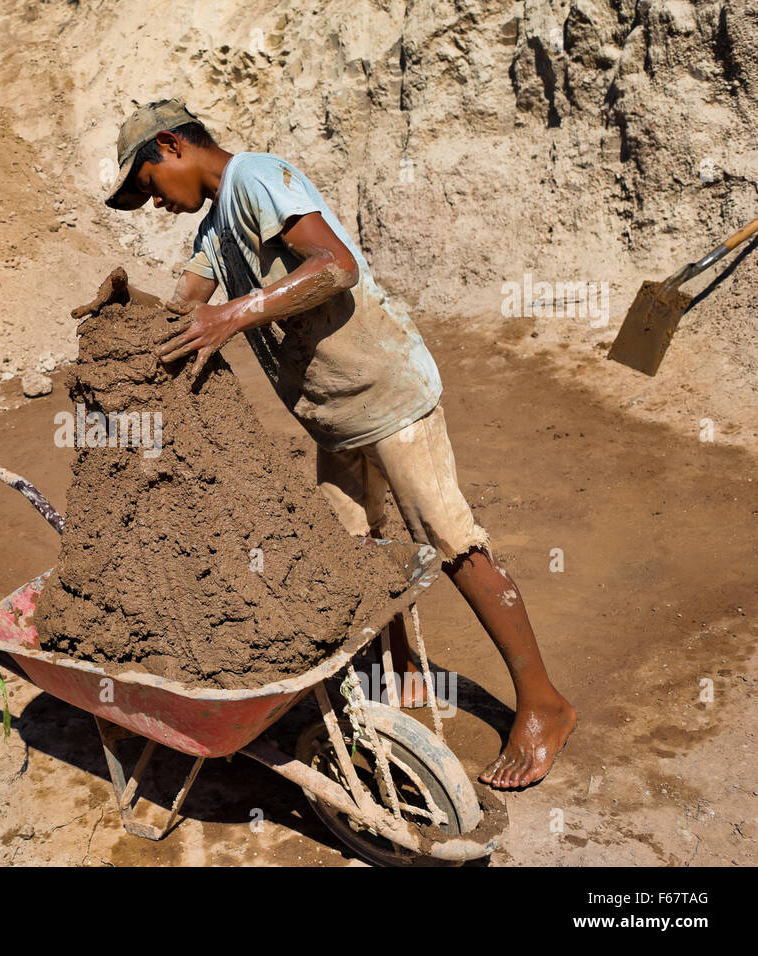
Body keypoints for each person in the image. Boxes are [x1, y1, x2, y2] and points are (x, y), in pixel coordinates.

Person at [101, 99, 576, 790]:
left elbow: (336, 265)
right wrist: (123, 311)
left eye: (147, 184)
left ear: (170, 146)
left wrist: (233, 315)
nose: (152, 203)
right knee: (357, 550)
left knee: (451, 541)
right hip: (332, 415)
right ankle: (403, 667)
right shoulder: (214, 229)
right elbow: (184, 308)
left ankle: (544, 704)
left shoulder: (256, 177)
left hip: (384, 391)